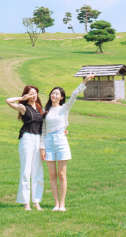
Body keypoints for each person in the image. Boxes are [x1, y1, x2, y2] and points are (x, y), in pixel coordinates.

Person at [40, 74, 94, 211]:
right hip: (48, 143)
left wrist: (85, 80)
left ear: (61, 97)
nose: (54, 95)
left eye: (57, 94)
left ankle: (62, 204)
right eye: (52, 93)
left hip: (61, 142)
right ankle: (56, 203)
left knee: (62, 175)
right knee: (52, 175)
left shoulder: (64, 108)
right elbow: (43, 131)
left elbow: (75, 94)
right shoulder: (46, 111)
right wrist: (42, 148)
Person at [6, 85, 44, 211]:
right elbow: (8, 101)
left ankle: (36, 202)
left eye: (36, 93)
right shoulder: (23, 107)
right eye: (31, 93)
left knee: (37, 172)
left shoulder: (39, 108)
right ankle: (25, 202)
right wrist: (22, 98)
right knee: (26, 171)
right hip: (27, 139)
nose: (34, 95)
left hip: (38, 139)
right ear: (27, 94)